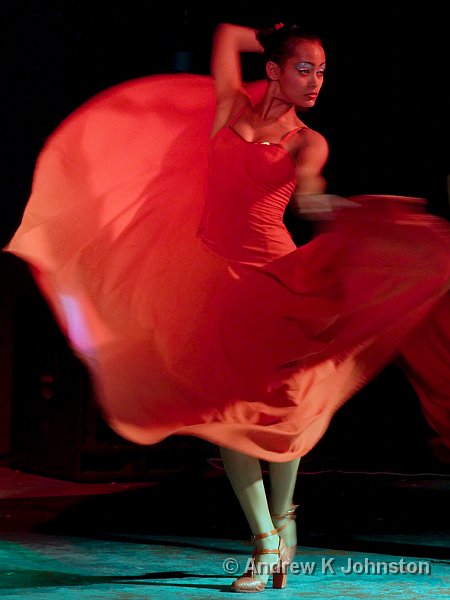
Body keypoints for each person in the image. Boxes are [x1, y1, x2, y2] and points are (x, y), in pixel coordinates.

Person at [4, 20, 450, 594]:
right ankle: (265, 543)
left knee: (281, 410)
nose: (316, 82)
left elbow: (310, 192)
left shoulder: (307, 140)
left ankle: (284, 519)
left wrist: (333, 208)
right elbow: (226, 34)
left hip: (275, 277)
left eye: (322, 72)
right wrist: (273, 33)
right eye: (303, 68)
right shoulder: (227, 106)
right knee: (226, 416)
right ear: (274, 69)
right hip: (217, 278)